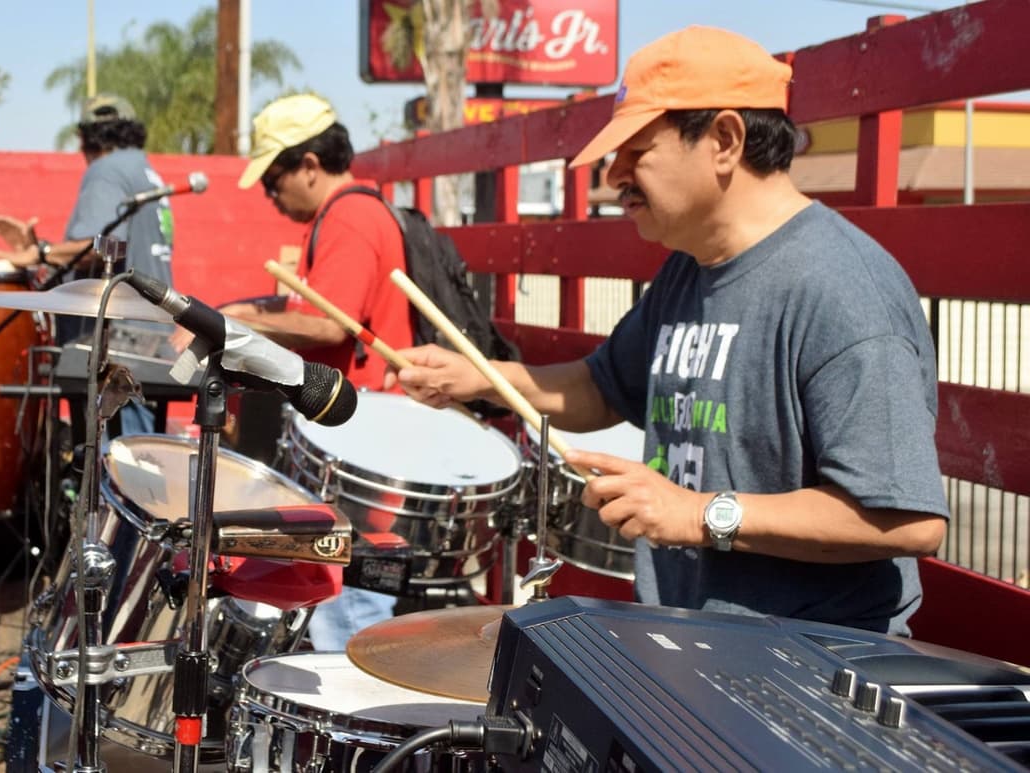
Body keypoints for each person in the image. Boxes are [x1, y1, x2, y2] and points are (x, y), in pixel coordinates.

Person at [391, 26, 948, 636]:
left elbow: (905, 519)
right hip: (691, 642)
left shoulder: (841, 288)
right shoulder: (690, 268)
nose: (614, 175)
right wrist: (484, 379)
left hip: (808, 671)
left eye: (637, 150)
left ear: (726, 141)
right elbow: (602, 388)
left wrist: (699, 514)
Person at [229, 94, 415, 649]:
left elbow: (331, 325)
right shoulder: (346, 213)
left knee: (346, 594)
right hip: (355, 424)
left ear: (310, 164)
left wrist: (235, 320)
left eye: (274, 178)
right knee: (337, 587)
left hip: (364, 430)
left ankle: (362, 726)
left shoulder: (351, 216)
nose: (271, 194)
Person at [0, 93, 175, 436]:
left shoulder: (107, 171)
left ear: (86, 138)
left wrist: (38, 253)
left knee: (118, 462)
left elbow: (97, 247)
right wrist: (37, 247)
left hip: (119, 339)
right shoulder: (144, 170)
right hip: (150, 330)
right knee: (144, 456)